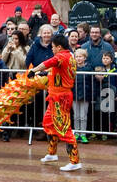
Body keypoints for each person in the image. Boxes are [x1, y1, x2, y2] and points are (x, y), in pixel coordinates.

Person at [26, 33, 82, 171]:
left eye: (53, 47)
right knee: (48, 122)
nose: (52, 49)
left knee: (63, 128)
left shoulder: (62, 56)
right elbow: (57, 71)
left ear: (59, 47)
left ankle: (75, 161)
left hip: (61, 97)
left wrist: (34, 70)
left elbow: (48, 63)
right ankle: (52, 153)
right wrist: (46, 74)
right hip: (55, 96)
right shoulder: (69, 56)